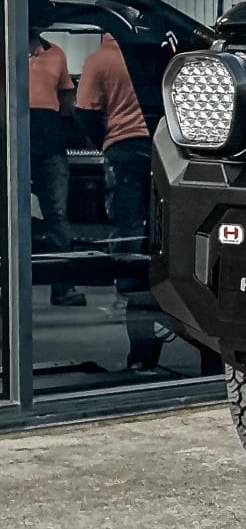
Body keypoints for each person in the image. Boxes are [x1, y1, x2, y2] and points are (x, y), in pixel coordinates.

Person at [77, 33, 164, 373]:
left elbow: (85, 111)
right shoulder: (152, 56)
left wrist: (105, 142)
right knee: (160, 224)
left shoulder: (99, 60)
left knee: (126, 226)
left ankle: (126, 293)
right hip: (160, 148)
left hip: (122, 149)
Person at [28, 31, 83, 306]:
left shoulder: (56, 53)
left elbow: (67, 101)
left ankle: (63, 288)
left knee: (57, 217)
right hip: (12, 146)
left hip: (50, 147)